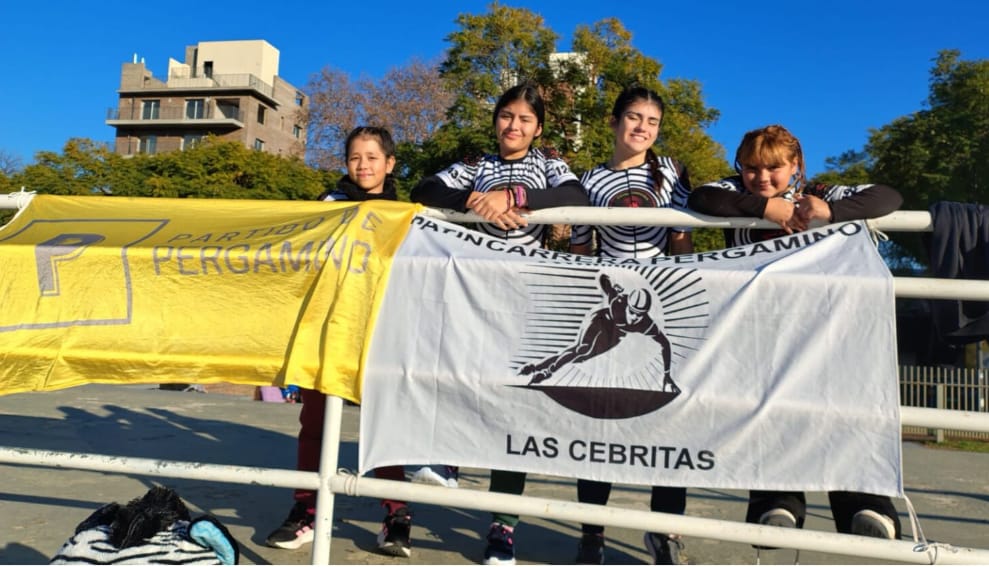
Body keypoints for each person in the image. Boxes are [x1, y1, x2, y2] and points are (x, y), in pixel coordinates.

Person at [687, 124, 904, 546]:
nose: (762, 178)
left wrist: (829, 212)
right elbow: (701, 197)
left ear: (796, 166)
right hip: (760, 327)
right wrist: (766, 209)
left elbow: (888, 196)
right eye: (751, 168)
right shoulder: (733, 190)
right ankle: (776, 505)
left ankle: (864, 504)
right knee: (768, 410)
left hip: (824, 327)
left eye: (774, 168)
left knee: (841, 407)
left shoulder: (821, 191)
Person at [411, 82, 589, 566]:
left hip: (524, 297)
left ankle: (502, 529)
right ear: (496, 119)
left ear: (538, 127)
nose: (514, 126)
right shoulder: (476, 165)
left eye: (525, 119)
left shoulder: (546, 164)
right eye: (507, 116)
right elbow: (424, 188)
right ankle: (444, 456)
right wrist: (475, 197)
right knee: (459, 378)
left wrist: (514, 193)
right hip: (472, 293)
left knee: (512, 409)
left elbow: (574, 191)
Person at [264, 126, 457, 559]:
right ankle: (305, 511)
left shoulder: (408, 213)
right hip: (328, 330)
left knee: (385, 426)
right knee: (313, 423)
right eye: (355, 157)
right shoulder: (328, 205)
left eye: (373, 157)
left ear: (390, 164)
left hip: (382, 331)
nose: (363, 165)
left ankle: (396, 515)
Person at [566, 85, 693, 565]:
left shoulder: (672, 173)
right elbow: (581, 247)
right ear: (614, 121)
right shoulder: (590, 179)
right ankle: (592, 531)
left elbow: (682, 238)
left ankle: (664, 533)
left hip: (663, 300)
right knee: (601, 422)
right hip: (614, 303)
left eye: (653, 122)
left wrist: (681, 295)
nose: (643, 128)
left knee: (669, 423)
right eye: (635, 118)